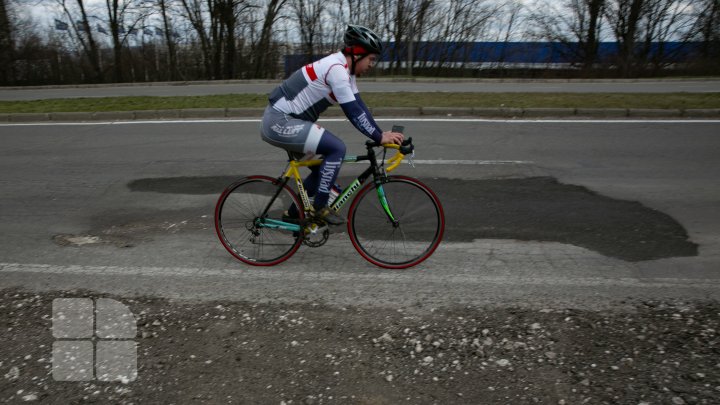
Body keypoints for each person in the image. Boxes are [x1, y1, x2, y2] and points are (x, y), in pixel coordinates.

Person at [261, 24, 404, 225]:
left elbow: (359, 106)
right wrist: (379, 138)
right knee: (336, 148)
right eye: (371, 59)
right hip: (279, 122)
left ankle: (294, 217)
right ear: (357, 54)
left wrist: (381, 134)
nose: (372, 65)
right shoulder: (336, 70)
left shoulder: (346, 71)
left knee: (323, 170)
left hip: (290, 122)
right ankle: (320, 208)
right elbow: (352, 112)